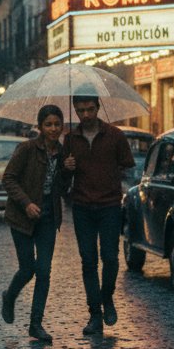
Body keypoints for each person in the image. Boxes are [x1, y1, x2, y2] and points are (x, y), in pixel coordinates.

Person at [62, 96, 134, 336]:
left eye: (90, 109)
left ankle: (107, 297)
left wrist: (110, 174)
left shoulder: (115, 135)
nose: (86, 114)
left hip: (109, 205)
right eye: (81, 110)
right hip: (82, 206)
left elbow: (127, 163)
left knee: (111, 258)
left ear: (97, 108)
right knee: (88, 260)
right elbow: (62, 178)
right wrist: (67, 166)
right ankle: (95, 314)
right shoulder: (70, 139)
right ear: (75, 110)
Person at [0, 104, 66, 343]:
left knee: (44, 271)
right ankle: (9, 296)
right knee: (27, 268)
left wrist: (68, 171)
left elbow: (64, 188)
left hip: (48, 217)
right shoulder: (27, 149)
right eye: (48, 124)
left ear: (62, 126)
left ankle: (35, 323)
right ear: (40, 127)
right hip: (22, 217)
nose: (53, 129)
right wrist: (26, 203)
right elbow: (8, 178)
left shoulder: (63, 153)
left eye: (57, 124)